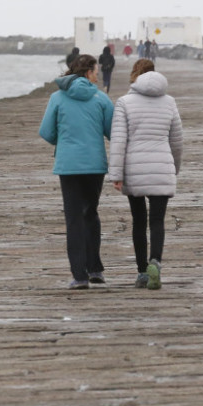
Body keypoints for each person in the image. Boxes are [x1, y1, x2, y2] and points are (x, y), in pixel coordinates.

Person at [39, 54, 114, 289]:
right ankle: (96, 270)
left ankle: (79, 276)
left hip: (68, 165)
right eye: (96, 71)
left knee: (73, 219)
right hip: (94, 165)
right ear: (88, 73)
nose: (98, 75)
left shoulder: (57, 98)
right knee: (90, 213)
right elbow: (113, 131)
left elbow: (46, 132)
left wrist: (64, 143)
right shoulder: (101, 99)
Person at [108, 59, 183, 289]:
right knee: (158, 221)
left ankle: (142, 272)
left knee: (139, 222)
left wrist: (116, 174)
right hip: (161, 166)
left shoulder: (124, 102)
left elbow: (119, 141)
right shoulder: (169, 102)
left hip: (134, 168)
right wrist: (174, 168)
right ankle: (156, 263)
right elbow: (177, 141)